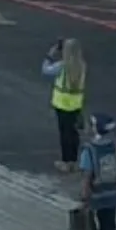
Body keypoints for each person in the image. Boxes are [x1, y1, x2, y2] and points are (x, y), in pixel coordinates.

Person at [43, 38, 88, 171]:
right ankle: (73, 161)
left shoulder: (62, 66)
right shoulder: (82, 65)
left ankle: (65, 162)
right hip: (76, 104)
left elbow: (45, 70)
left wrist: (50, 54)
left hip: (62, 104)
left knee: (64, 133)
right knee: (73, 133)